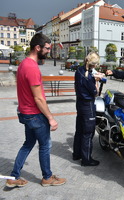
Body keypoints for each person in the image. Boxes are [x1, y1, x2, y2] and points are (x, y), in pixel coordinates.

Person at [6, 33, 66, 188]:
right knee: (45, 145)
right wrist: (51, 118)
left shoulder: (23, 64)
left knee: (28, 143)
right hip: (34, 115)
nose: (48, 52)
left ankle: (13, 177)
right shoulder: (32, 68)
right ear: (37, 47)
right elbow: (39, 99)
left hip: (25, 113)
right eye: (46, 48)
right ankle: (47, 177)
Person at [73, 52, 104, 166]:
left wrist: (93, 76)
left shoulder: (79, 70)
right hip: (88, 105)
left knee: (79, 130)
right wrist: (96, 80)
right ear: (93, 64)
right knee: (88, 133)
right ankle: (86, 159)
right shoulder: (89, 77)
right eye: (95, 64)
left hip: (80, 103)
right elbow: (95, 93)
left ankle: (76, 154)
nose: (96, 66)